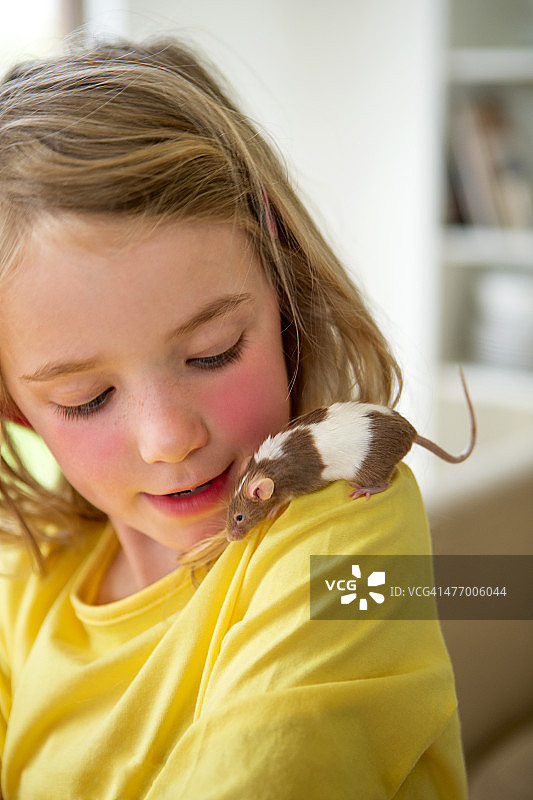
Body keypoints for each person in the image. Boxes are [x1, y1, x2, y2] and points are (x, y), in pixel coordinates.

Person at [0, 37, 467, 799]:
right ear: (13, 407)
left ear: (278, 282)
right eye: (87, 398)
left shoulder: (353, 532)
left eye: (213, 351)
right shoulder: (21, 583)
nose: (169, 437)